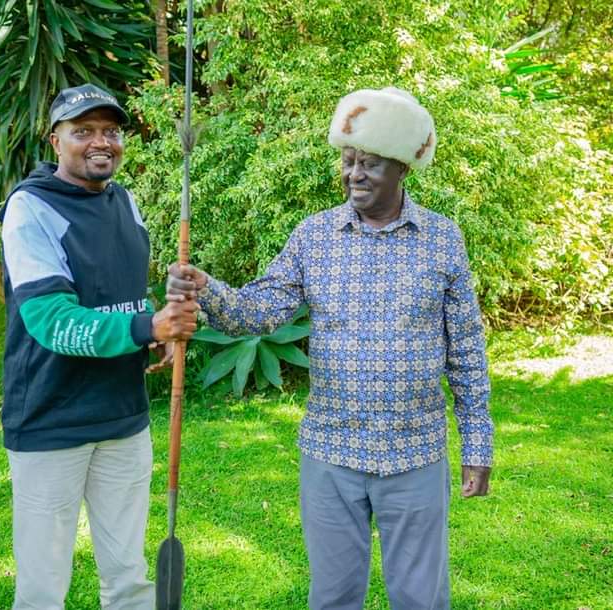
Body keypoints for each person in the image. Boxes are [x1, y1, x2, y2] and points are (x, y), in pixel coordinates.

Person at [167, 87, 493, 610]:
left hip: (414, 453)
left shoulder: (442, 239)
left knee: (421, 597)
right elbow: (258, 311)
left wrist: (478, 446)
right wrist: (205, 287)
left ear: (403, 169)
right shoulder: (314, 236)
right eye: (348, 161)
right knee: (334, 597)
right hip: (331, 453)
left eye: (370, 164)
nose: (354, 174)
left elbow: (468, 355)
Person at [0, 83, 199, 610]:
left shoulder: (124, 201)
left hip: (122, 419)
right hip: (50, 420)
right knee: (43, 586)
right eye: (82, 130)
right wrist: (145, 328)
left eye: (110, 130)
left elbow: (124, 293)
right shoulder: (30, 208)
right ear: (55, 140)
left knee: (129, 577)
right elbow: (50, 321)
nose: (100, 141)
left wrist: (161, 327)